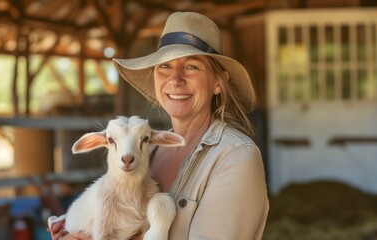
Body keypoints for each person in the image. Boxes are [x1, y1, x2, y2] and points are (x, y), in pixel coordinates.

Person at [49, 11, 269, 240]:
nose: (175, 79)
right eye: (165, 65)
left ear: (218, 83)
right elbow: (114, 218)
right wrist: (74, 225)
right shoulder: (147, 150)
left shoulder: (235, 157)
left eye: (192, 66)